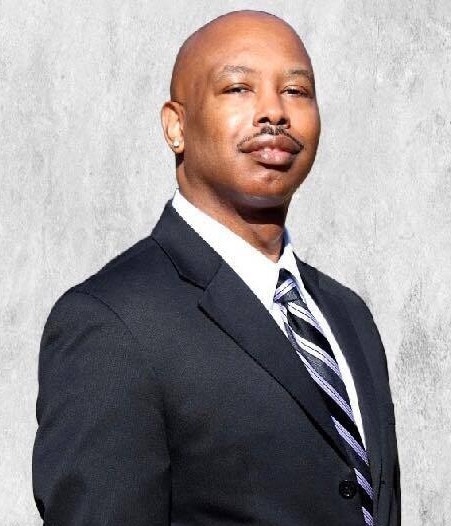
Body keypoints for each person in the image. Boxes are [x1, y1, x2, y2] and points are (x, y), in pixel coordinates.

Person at [33, 10, 400, 526]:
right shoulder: (112, 322)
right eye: (238, 88)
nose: (274, 111)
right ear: (176, 126)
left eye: (296, 91)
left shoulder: (347, 315)